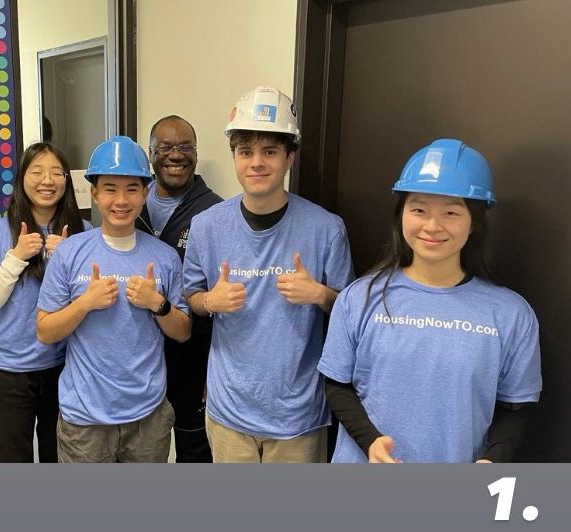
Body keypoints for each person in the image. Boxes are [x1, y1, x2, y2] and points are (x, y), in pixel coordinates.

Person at [318, 139, 542, 463]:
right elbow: (336, 385)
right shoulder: (359, 297)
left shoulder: (511, 315)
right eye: (419, 209)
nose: (432, 226)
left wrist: (494, 459)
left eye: (451, 212)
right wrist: (370, 442)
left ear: (474, 223)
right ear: (401, 215)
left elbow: (516, 407)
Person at [183, 86, 354, 462]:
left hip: (298, 415)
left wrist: (320, 295)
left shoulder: (326, 229)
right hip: (228, 411)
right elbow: (190, 297)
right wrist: (210, 300)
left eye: (269, 151)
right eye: (246, 152)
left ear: (289, 156)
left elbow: (352, 314)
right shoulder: (207, 226)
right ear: (234, 157)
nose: (256, 162)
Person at [36, 135, 192, 463]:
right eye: (110, 188)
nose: (121, 200)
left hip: (148, 418)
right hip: (85, 421)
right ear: (94, 193)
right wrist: (84, 303)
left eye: (132, 189)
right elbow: (45, 331)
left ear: (145, 192)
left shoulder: (164, 257)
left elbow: (183, 332)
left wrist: (157, 304)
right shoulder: (69, 253)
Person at [0, 142, 90, 462]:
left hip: (66, 366)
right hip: (9, 370)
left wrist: (65, 259)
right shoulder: (1, 230)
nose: (47, 181)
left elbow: (91, 305)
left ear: (67, 181)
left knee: (62, 458)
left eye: (56, 172)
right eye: (36, 171)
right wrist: (15, 257)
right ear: (22, 178)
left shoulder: (84, 233)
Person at [135, 115, 222, 462]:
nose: (176, 155)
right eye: (166, 147)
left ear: (196, 154)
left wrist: (214, 371)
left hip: (193, 359)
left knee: (193, 451)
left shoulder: (214, 212)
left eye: (185, 147)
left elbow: (222, 300)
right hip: (141, 358)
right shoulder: (132, 204)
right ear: (151, 153)